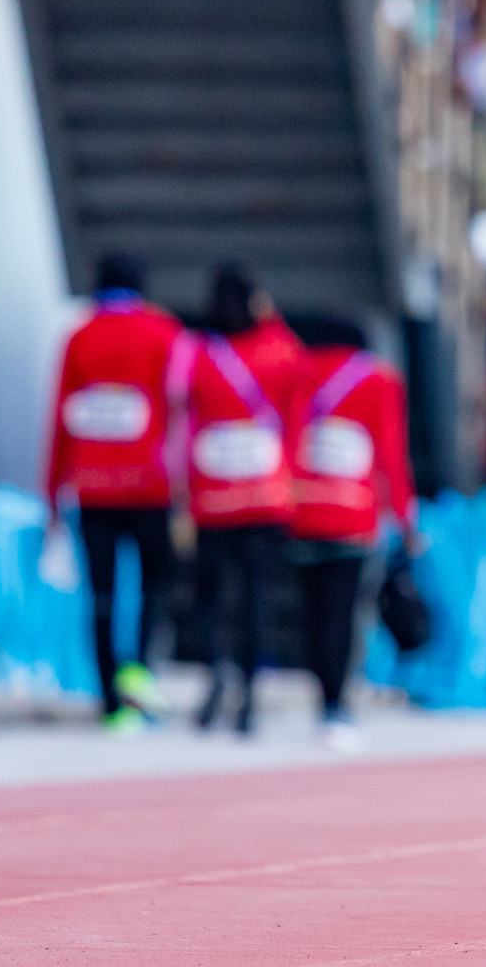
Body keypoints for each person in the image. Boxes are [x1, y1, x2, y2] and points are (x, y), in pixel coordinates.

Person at [46, 254, 189, 733]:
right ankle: (140, 678)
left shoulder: (78, 337)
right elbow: (181, 413)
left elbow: (60, 421)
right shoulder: (165, 332)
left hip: (92, 488)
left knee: (102, 595)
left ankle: (111, 701)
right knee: (155, 587)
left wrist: (52, 493)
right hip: (150, 488)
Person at [287, 319, 417, 749]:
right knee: (343, 613)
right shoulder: (379, 380)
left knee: (311, 613)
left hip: (302, 509)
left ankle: (320, 693)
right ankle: (336, 706)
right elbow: (391, 453)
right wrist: (404, 517)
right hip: (352, 515)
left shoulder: (296, 371)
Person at [187, 264, 303, 735]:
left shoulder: (201, 356)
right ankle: (251, 694)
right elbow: (298, 381)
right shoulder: (277, 351)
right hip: (263, 496)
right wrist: (270, 316)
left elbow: (187, 426)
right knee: (256, 596)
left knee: (210, 594)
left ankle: (216, 667)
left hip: (213, 496)